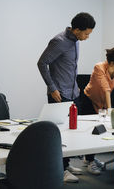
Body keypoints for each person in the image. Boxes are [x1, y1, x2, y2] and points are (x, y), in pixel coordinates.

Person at [37, 12, 95, 183]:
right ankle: (59, 170)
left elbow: (70, 67)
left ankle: (66, 164)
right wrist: (52, 87)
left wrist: (76, 86)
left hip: (73, 93)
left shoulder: (76, 41)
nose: (87, 37)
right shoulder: (59, 41)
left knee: (71, 131)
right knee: (59, 134)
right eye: (86, 33)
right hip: (59, 94)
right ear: (76, 29)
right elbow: (42, 63)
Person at [81, 46, 114, 175]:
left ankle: (89, 158)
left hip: (103, 101)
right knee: (92, 130)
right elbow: (106, 88)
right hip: (89, 99)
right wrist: (109, 110)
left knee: (101, 129)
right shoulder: (99, 67)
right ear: (112, 63)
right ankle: (90, 161)